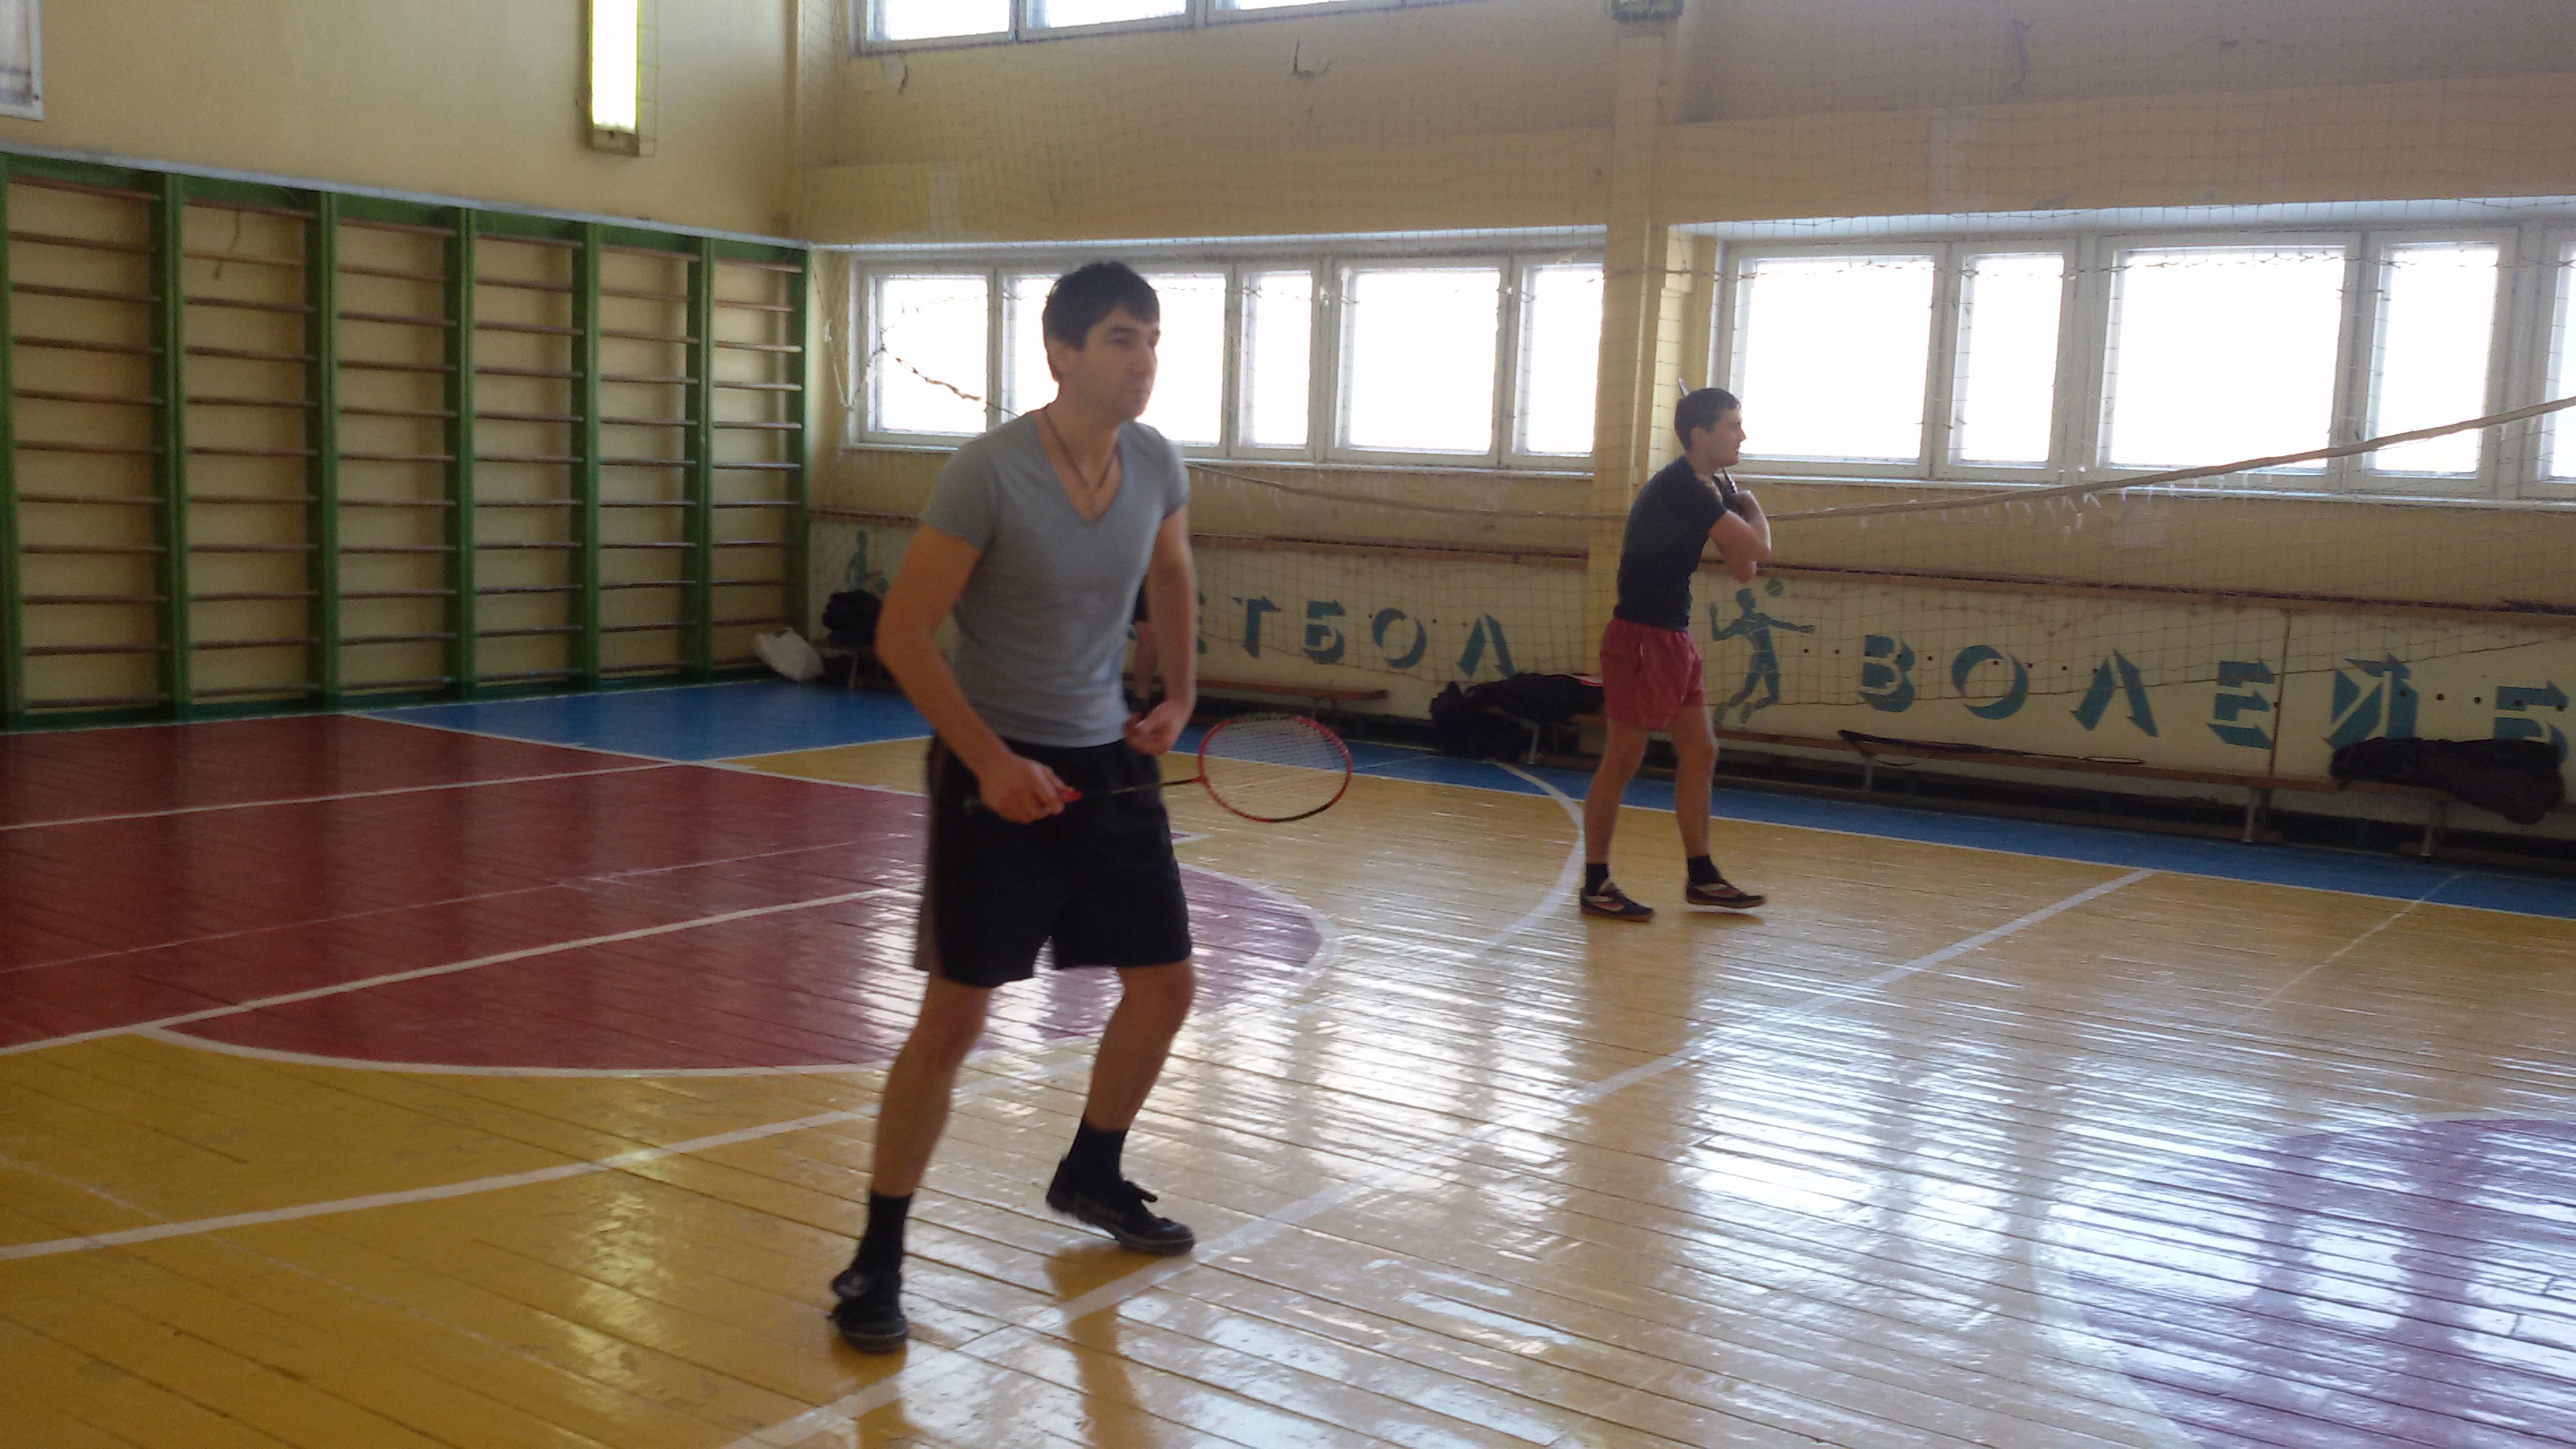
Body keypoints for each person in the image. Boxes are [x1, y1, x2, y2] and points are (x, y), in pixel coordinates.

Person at [829, 262, 1200, 1353]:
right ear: (1062, 353)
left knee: (1166, 987)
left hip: (1109, 762)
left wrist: (1179, 693)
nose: (1144, 360)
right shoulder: (987, 472)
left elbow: (1173, 575)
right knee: (955, 1019)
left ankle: (1092, 1172)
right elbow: (903, 634)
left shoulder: (1156, 462)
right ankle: (877, 1257)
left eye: (1153, 340)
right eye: (1123, 339)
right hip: (993, 772)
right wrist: (989, 762)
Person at [1580, 388, 1771, 922]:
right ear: (1700, 434)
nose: (1742, 435)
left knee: (1701, 752)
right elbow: (1759, 549)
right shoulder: (1682, 488)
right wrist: (1753, 508)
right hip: (1641, 638)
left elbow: (1743, 571)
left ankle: (1701, 876)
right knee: (1622, 759)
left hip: (1673, 638)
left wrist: (1734, 506)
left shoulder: (1706, 489)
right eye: (1732, 425)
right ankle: (1595, 883)